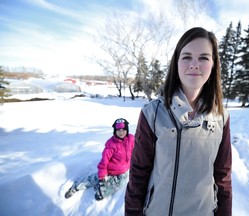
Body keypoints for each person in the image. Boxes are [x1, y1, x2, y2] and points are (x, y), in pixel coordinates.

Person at [125, 27, 232, 216]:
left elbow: (223, 177)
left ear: (214, 64)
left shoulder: (221, 117)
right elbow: (138, 173)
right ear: (176, 62)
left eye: (204, 58)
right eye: (187, 56)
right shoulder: (153, 113)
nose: (194, 64)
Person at [65, 118, 135, 201]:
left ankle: (103, 191)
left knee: (121, 182)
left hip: (123, 171)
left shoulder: (131, 139)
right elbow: (104, 161)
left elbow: (137, 150)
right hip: (110, 170)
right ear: (115, 131)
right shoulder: (111, 144)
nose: (121, 132)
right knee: (96, 178)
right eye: (118, 130)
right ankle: (77, 186)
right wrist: (102, 174)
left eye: (123, 130)